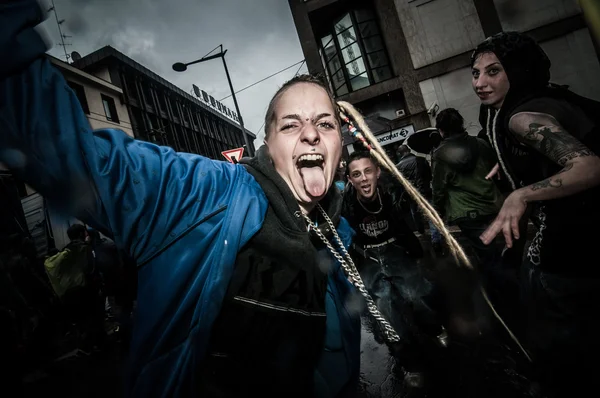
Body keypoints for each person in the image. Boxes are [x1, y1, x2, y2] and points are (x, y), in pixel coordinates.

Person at [1, 2, 361, 396]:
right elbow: (68, 155)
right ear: (267, 147)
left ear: (338, 145)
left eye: (324, 123)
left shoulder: (337, 231)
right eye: (291, 124)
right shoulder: (201, 194)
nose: (311, 133)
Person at [472, 31, 600, 397]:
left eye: (493, 71)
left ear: (517, 70)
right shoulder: (524, 107)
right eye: (476, 73)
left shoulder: (521, 118)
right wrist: (515, 162)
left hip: (577, 250)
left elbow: (589, 167)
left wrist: (522, 193)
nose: (480, 83)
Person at [342, 151, 443, 389]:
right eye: (356, 174)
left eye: (368, 171)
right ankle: (409, 362)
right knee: (386, 311)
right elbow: (342, 235)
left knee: (417, 295)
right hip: (367, 258)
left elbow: (403, 226)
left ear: (377, 172)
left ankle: (435, 328)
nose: (364, 179)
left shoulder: (391, 195)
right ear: (350, 180)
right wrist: (349, 267)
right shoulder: (344, 203)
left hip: (394, 251)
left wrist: (416, 253)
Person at [432, 108, 502, 270]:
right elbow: (497, 170)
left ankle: (501, 289)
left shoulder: (440, 155)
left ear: (441, 130)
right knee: (496, 251)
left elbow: (439, 187)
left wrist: (438, 211)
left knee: (488, 258)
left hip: (466, 211)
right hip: (492, 204)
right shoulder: (480, 144)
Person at [395, 145, 444, 256]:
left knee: (415, 212)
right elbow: (429, 175)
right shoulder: (420, 160)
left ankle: (420, 228)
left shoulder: (398, 166)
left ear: (400, 154)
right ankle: (435, 240)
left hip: (411, 194)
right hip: (425, 191)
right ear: (408, 150)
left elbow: (399, 183)